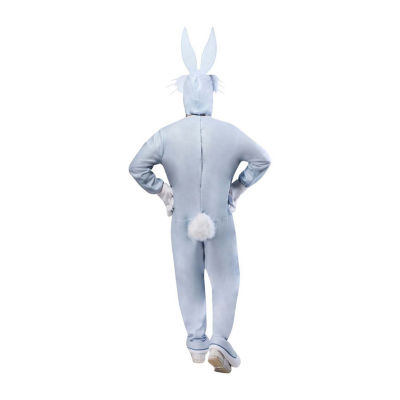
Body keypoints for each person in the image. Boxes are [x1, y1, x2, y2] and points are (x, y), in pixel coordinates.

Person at [129, 28, 271, 373]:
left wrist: (164, 191)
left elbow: (137, 166)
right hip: (220, 217)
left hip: (183, 218)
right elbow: (261, 160)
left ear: (184, 97)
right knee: (226, 278)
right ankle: (219, 341)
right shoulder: (230, 132)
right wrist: (237, 188)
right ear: (210, 95)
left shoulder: (167, 134)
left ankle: (196, 344)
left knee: (187, 277)